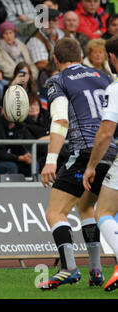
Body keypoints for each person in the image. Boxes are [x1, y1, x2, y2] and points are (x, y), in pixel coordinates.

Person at [38, 38, 116, 290]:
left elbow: (60, 121)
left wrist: (51, 160)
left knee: (55, 213)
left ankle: (69, 267)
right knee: (86, 208)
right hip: (112, 151)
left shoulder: (58, 80)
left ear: (56, 60)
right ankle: (95, 270)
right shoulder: (106, 77)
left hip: (85, 151)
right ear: (81, 56)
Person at [82, 34, 118, 292]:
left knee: (103, 211)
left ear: (113, 58)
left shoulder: (115, 89)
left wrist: (92, 165)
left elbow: (106, 133)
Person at [26, 8, 65, 73]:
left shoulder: (65, 34)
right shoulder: (35, 39)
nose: (50, 23)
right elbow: (42, 64)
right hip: (49, 74)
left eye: (54, 20)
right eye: (47, 20)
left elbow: (78, 55)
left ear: (58, 21)